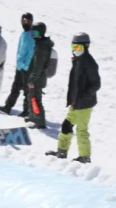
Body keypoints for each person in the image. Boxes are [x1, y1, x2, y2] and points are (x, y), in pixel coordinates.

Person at [47, 32, 101, 163]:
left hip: (84, 104)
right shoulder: (78, 61)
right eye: (73, 47)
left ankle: (85, 156)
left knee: (81, 129)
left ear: (86, 46)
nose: (75, 50)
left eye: (78, 48)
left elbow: (96, 84)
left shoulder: (89, 63)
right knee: (66, 125)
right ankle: (62, 151)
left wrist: (84, 97)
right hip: (75, 103)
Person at [0, 13, 34, 117]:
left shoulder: (31, 35)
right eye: (23, 20)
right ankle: (8, 107)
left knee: (27, 91)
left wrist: (25, 65)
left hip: (25, 68)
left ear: (31, 21)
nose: (24, 23)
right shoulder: (24, 33)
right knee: (15, 87)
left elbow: (31, 53)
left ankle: (27, 111)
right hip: (20, 67)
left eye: (26, 21)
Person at [26, 22, 54, 130]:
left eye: (35, 33)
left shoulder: (41, 46)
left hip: (37, 78)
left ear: (41, 33)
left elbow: (38, 66)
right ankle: (34, 118)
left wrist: (32, 79)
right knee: (33, 97)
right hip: (39, 77)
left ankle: (40, 122)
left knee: (35, 99)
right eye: (32, 33)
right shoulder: (41, 44)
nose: (33, 35)